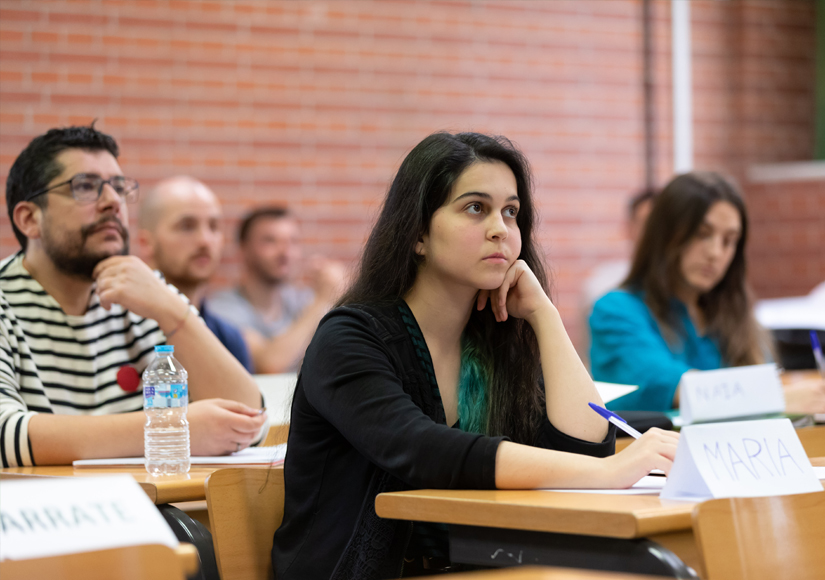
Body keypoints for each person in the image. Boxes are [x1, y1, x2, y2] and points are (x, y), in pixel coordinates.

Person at [271, 132, 679, 579]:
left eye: (511, 212)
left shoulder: (496, 341)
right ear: (418, 234)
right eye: (475, 208)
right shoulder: (350, 339)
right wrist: (611, 473)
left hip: (477, 564)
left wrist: (544, 316)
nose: (500, 229)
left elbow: (584, 446)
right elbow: (421, 449)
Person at [1, 125, 267, 468]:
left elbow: (247, 422)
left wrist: (172, 311)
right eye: (85, 187)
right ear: (29, 219)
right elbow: (7, 434)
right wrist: (172, 427)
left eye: (118, 187)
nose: (113, 202)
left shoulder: (145, 292)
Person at [589, 171, 825, 413]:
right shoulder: (615, 310)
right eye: (703, 234)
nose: (716, 253)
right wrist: (775, 398)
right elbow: (665, 384)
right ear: (665, 234)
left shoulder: (735, 314)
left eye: (729, 240)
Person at [136, 176, 253, 372]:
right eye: (187, 226)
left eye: (214, 227)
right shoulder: (120, 330)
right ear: (146, 243)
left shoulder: (228, 338)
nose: (205, 240)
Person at [209, 207, 346, 373]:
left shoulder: (302, 301)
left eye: (293, 241)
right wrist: (323, 300)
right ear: (244, 249)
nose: (285, 251)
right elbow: (269, 364)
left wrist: (341, 295)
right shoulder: (221, 310)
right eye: (270, 241)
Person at [578, 188, 656, 363]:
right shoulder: (600, 287)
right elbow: (585, 356)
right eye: (646, 224)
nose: (653, 234)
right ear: (629, 228)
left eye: (659, 226)